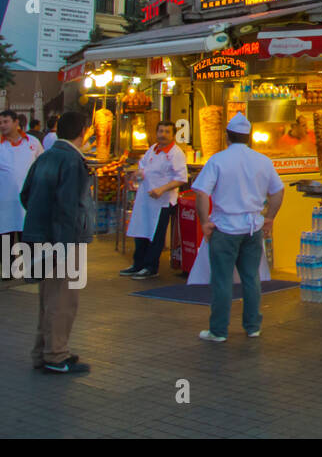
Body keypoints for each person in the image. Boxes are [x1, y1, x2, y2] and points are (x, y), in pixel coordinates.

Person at [190, 113, 284, 342]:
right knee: (251, 278)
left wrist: (204, 222)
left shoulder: (218, 160)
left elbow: (202, 192)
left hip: (225, 227)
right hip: (252, 228)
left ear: (227, 136)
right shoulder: (263, 161)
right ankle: (253, 326)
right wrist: (270, 218)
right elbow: (278, 191)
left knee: (222, 281)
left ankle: (219, 331)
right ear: (249, 137)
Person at [20, 111, 94, 373]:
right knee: (63, 300)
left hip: (39, 235)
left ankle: (43, 351)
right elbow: (67, 207)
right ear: (82, 131)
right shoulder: (73, 161)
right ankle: (56, 354)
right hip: (62, 239)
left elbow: (26, 194)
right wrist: (64, 246)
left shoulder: (46, 156)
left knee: (48, 298)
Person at [122, 122, 188, 279]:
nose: (163, 134)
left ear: (173, 135)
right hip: (145, 199)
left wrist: (162, 189)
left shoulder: (175, 153)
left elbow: (181, 178)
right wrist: (138, 174)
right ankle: (138, 264)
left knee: (156, 235)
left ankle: (151, 267)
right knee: (141, 231)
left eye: (167, 131)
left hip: (162, 201)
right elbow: (142, 166)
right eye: (160, 131)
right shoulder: (153, 149)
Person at [0, 109, 45, 276]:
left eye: (6, 122)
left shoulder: (32, 143)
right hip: (2, 201)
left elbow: (42, 167)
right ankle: (7, 271)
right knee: (4, 236)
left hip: (27, 200)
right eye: (0, 123)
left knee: (28, 235)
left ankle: (32, 270)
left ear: (16, 123)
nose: (3, 125)